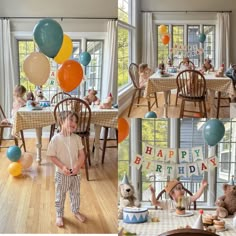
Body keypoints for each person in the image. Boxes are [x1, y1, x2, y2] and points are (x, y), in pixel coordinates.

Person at [47, 111, 86, 227]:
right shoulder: (55, 139)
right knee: (60, 194)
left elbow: (82, 155)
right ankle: (59, 214)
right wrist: (62, 167)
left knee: (75, 194)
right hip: (61, 174)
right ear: (61, 122)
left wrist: (77, 166)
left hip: (75, 173)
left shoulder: (77, 138)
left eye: (76, 121)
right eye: (71, 120)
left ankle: (76, 211)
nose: (74, 123)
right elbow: (51, 156)